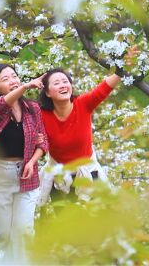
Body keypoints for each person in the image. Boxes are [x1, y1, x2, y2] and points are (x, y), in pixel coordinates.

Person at [0, 63, 49, 264]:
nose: (13, 81)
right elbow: (1, 105)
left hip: (27, 174)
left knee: (24, 231)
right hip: (0, 177)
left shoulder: (32, 108)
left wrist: (33, 161)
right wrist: (25, 87)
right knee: (4, 234)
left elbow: (44, 141)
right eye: (5, 79)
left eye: (14, 76)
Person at [38, 68, 120, 204]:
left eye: (65, 81)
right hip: (60, 178)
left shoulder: (83, 104)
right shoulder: (41, 115)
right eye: (57, 83)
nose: (63, 85)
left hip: (89, 175)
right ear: (47, 92)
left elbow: (103, 89)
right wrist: (38, 140)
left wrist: (121, 71)